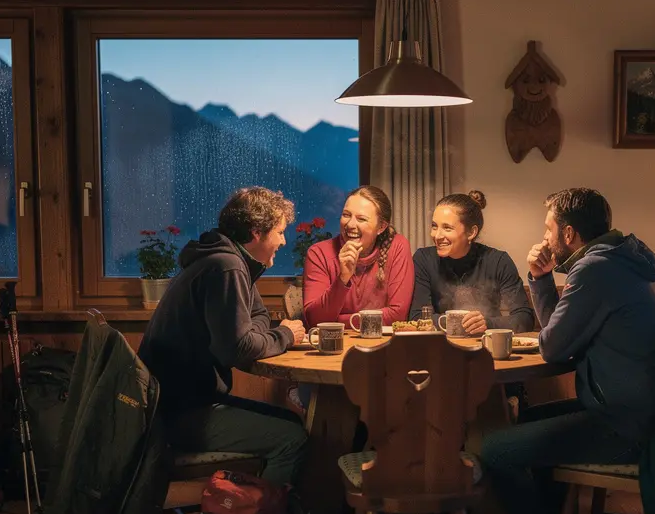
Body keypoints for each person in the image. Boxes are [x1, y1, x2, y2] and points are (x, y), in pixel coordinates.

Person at [479, 187, 655, 514]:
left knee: (495, 449)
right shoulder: (623, 259)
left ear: (569, 234)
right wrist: (540, 277)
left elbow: (554, 348)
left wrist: (538, 280)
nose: (544, 238)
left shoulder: (595, 269)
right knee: (529, 422)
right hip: (649, 414)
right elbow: (564, 337)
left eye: (548, 228)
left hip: (628, 426)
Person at [138, 186, 308, 486]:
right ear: (257, 232)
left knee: (292, 421)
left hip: (180, 403)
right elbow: (237, 349)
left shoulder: (227, 260)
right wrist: (285, 335)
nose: (283, 240)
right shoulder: (226, 266)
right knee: (292, 438)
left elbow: (258, 319)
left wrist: (257, 334)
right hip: (179, 415)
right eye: (280, 232)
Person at [408, 190, 535, 334]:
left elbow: (524, 319)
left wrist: (487, 323)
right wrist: (456, 321)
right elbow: (417, 317)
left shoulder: (498, 261)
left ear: (471, 232)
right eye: (434, 226)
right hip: (440, 347)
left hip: (486, 347)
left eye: (447, 228)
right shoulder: (424, 259)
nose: (437, 235)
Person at [302, 185, 414, 327]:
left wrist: (338, 321)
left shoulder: (397, 246)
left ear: (381, 227)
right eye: (346, 215)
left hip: (385, 344)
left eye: (361, 219)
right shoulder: (319, 254)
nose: (350, 224)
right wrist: (343, 278)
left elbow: (397, 316)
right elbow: (315, 320)